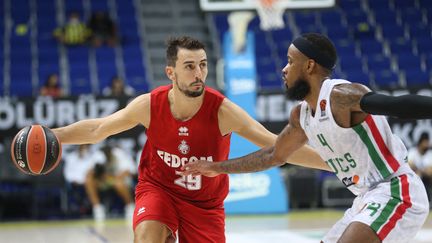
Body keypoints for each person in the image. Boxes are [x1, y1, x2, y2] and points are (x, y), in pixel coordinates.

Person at [51, 36, 328, 243]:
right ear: (170, 72)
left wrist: (334, 162)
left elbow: (277, 146)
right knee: (147, 236)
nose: (199, 74)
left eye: (203, 65)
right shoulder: (148, 105)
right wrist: (54, 136)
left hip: (205, 205)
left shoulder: (223, 111)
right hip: (159, 190)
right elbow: (97, 129)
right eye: (189, 66)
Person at [181, 33, 431, 243]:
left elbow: (397, 105)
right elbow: (273, 155)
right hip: (366, 197)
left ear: (309, 66)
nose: (284, 69)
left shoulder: (341, 96)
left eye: (290, 61)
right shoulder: (301, 116)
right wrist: (216, 168)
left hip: (397, 190)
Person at [87, 145, 136, 222]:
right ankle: (97, 208)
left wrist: (111, 177)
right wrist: (99, 175)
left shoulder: (119, 154)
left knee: (118, 183)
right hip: (104, 181)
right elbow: (90, 172)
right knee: (88, 180)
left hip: (118, 179)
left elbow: (129, 170)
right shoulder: (98, 156)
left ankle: (130, 206)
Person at [62, 144, 106, 220]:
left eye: (86, 145)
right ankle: (97, 207)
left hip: (96, 181)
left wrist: (92, 172)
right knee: (88, 181)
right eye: (82, 145)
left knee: (89, 179)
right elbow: (68, 174)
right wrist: (77, 180)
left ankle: (97, 207)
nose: (84, 147)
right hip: (77, 183)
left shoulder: (96, 154)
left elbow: (101, 164)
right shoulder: (71, 157)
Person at [408, 133, 432, 203]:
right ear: (421, 142)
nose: (427, 144)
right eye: (425, 142)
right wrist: (420, 170)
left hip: (425, 181)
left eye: (428, 142)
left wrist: (419, 170)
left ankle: (429, 201)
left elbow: (430, 172)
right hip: (413, 180)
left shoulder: (429, 154)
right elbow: (409, 165)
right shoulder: (413, 151)